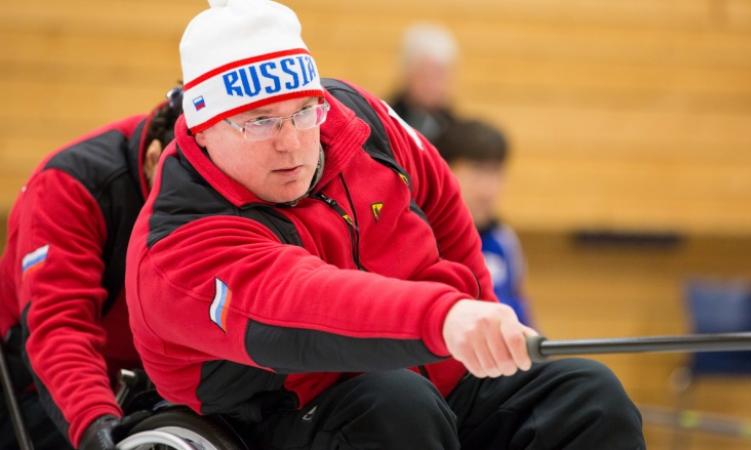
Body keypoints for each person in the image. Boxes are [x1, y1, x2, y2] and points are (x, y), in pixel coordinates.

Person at [126, 1, 645, 449]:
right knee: (395, 404)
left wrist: (480, 314)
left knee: (586, 395)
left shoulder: (354, 116)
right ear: (204, 126)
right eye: (260, 122)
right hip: (282, 412)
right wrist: (444, 318)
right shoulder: (179, 243)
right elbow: (308, 302)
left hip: (430, 377)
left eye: (303, 112)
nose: (291, 141)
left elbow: (439, 193)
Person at [0, 86, 182, 450]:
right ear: (152, 157)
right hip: (38, 383)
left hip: (155, 382)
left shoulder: (245, 171)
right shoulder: (70, 185)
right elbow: (58, 329)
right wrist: (96, 426)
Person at [435, 119, 533, 326]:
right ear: (444, 171)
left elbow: (522, 318)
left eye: (496, 172)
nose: (489, 189)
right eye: (477, 171)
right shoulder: (422, 240)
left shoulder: (504, 240)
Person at [388, 23, 458, 143]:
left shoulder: (454, 128)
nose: (433, 85)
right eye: (426, 76)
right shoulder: (387, 120)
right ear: (408, 74)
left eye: (439, 76)